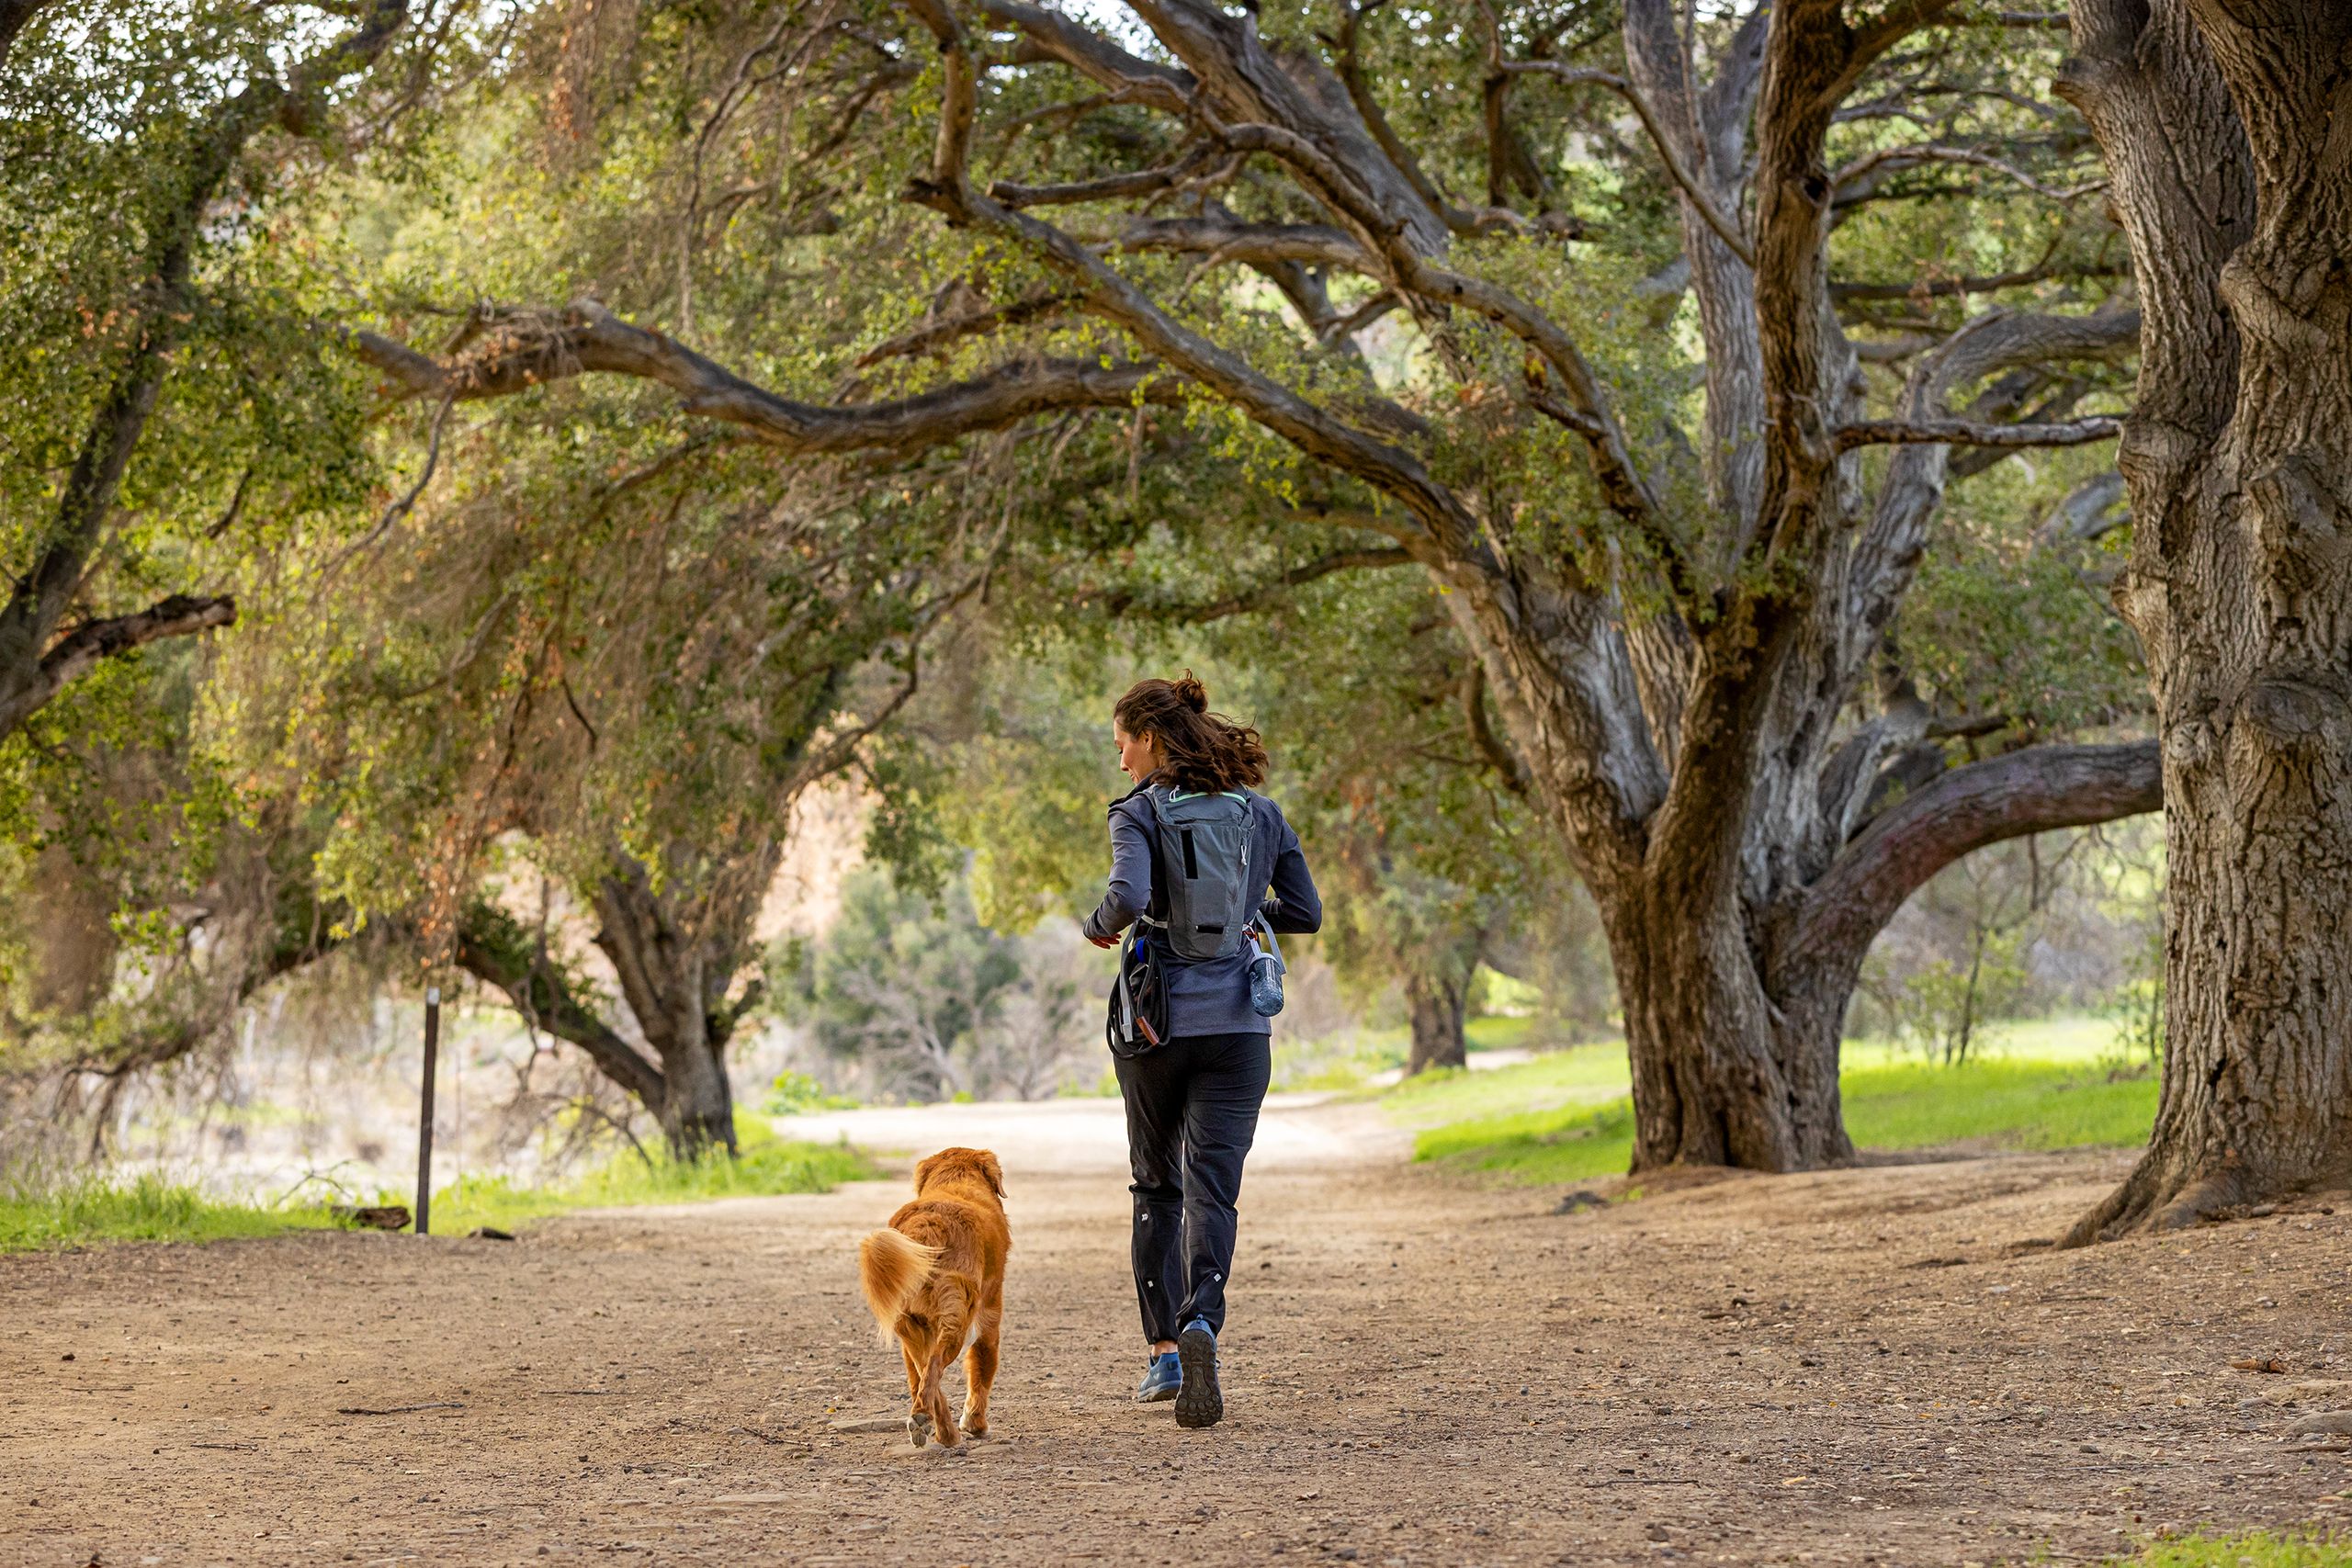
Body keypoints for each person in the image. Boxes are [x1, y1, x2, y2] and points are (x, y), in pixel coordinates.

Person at [1082, 673, 1321, 1430]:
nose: (1120, 759)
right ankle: (1203, 1324)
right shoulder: (1263, 814)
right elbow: (1307, 913)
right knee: (1213, 1188)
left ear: (1150, 737)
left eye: (1122, 742)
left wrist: (1097, 925)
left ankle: (1164, 1356)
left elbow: (1125, 897)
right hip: (1239, 1032)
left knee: (1157, 1185)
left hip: (1156, 1029)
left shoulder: (1138, 811)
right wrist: (1249, 908)